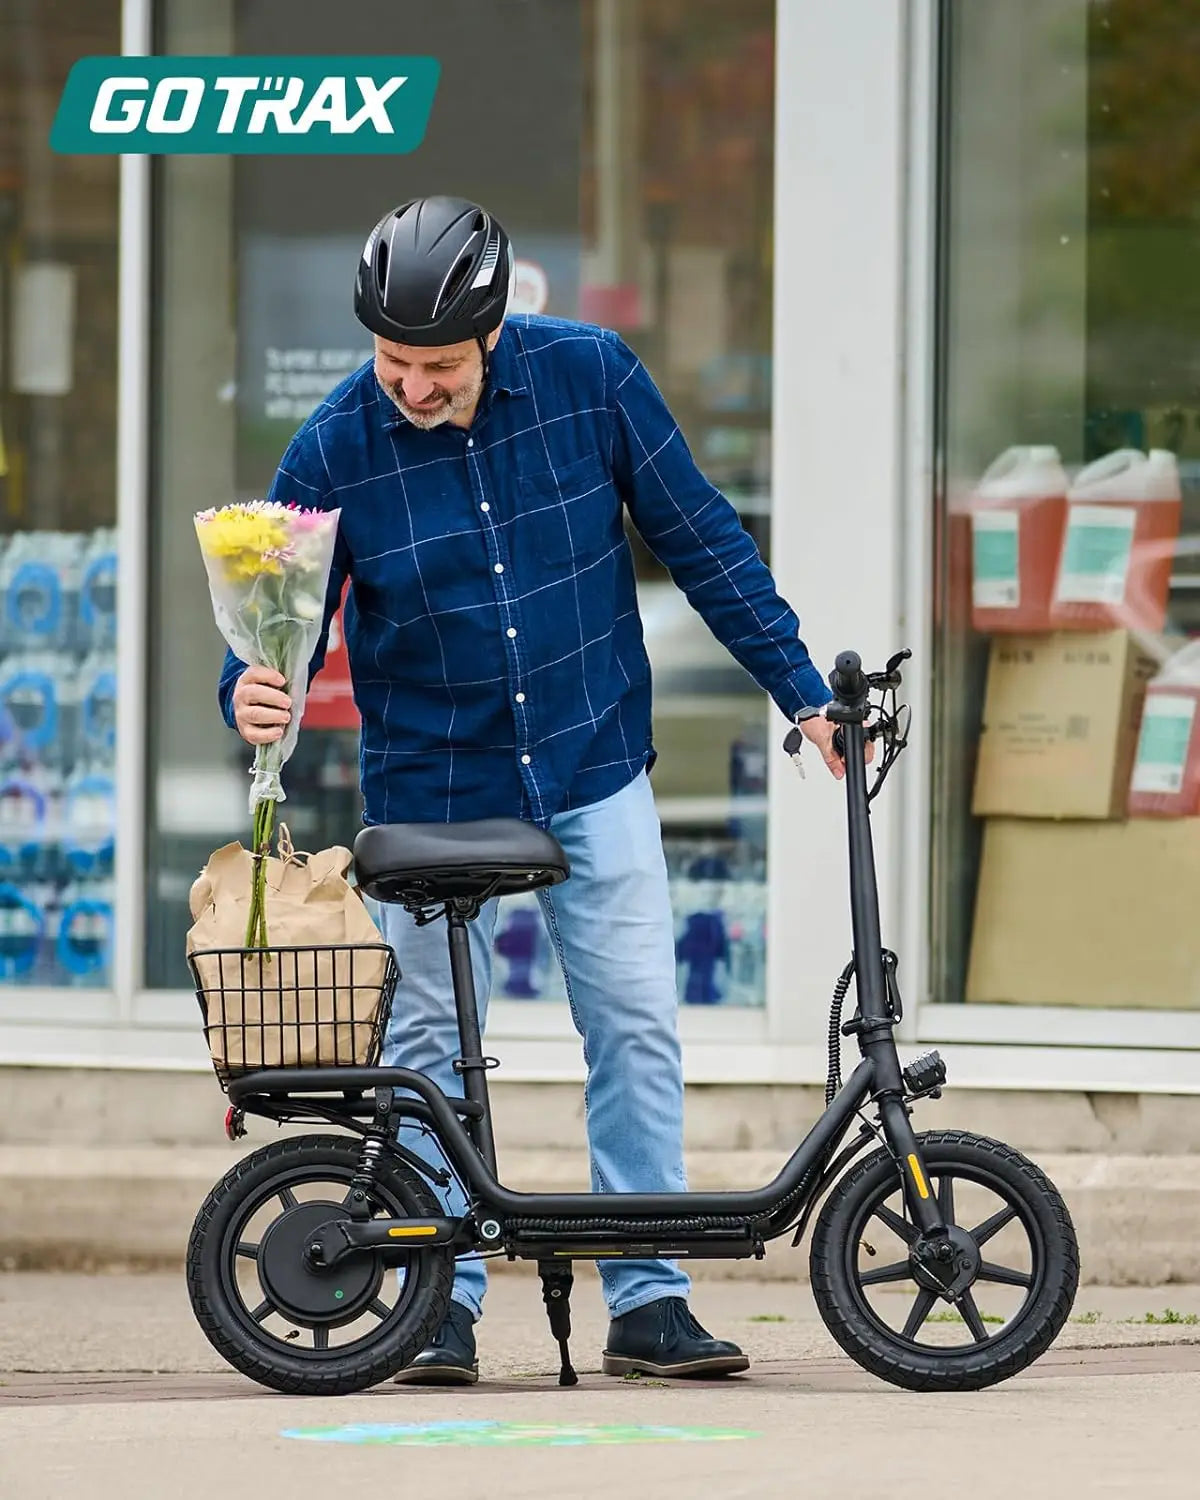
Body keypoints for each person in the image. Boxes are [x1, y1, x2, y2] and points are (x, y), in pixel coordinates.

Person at [220, 194, 856, 1386]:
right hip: (431, 780)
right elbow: (272, 628)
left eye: (438, 364)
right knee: (423, 1047)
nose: (411, 384)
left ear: (497, 330)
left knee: (632, 1026)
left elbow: (707, 541)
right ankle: (434, 1297)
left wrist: (801, 691)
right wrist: (250, 692)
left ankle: (649, 1300)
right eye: (393, 360)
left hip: (589, 756)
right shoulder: (330, 445)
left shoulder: (593, 378)